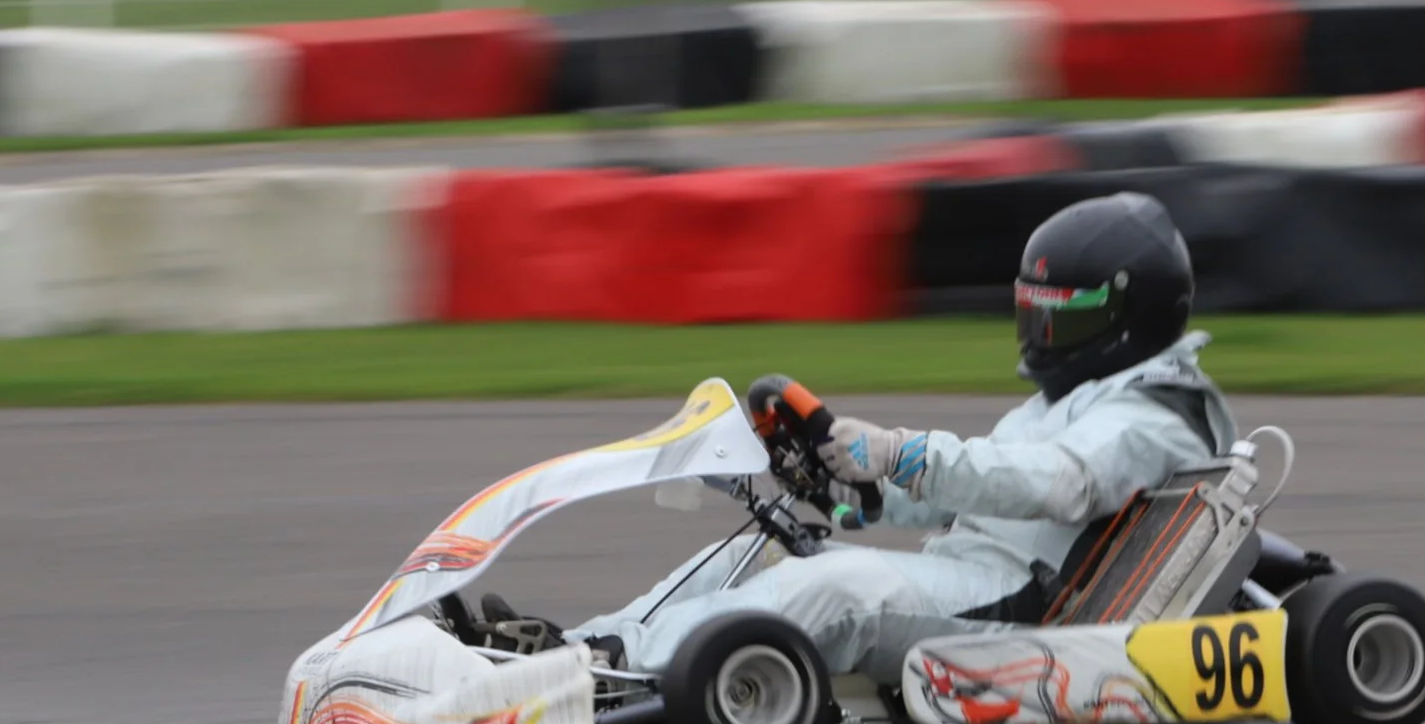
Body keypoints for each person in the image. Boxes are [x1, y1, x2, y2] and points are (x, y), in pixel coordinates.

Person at [481, 191, 1237, 682]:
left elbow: (1059, 485)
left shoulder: (1153, 416)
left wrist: (904, 451)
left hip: (1027, 608)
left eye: (1060, 314)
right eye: (1034, 311)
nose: (1041, 333)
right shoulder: (1082, 398)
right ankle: (575, 647)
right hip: (972, 575)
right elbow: (977, 498)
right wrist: (863, 484)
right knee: (757, 555)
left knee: (836, 588)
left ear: (1127, 314)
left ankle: (599, 673)